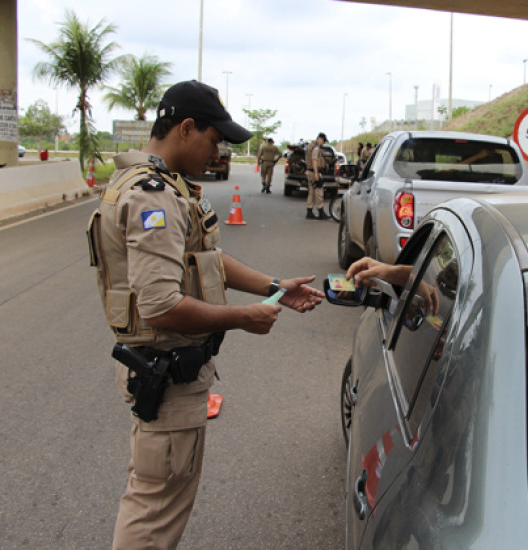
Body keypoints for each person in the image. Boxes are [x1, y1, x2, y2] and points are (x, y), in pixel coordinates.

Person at [86, 80, 325, 549]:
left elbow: (206, 259)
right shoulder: (154, 196)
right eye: (214, 141)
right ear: (186, 128)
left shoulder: (164, 187)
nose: (217, 153)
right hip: (167, 372)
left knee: (155, 492)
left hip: (166, 372)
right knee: (154, 510)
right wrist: (242, 317)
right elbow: (159, 306)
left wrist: (274, 287)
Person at [305, 132, 330, 220]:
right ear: (319, 138)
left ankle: (309, 211)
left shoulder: (310, 146)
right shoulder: (315, 148)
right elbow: (314, 160)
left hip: (309, 172)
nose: (323, 143)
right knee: (319, 192)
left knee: (311, 192)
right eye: (323, 140)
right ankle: (320, 211)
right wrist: (316, 174)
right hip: (314, 172)